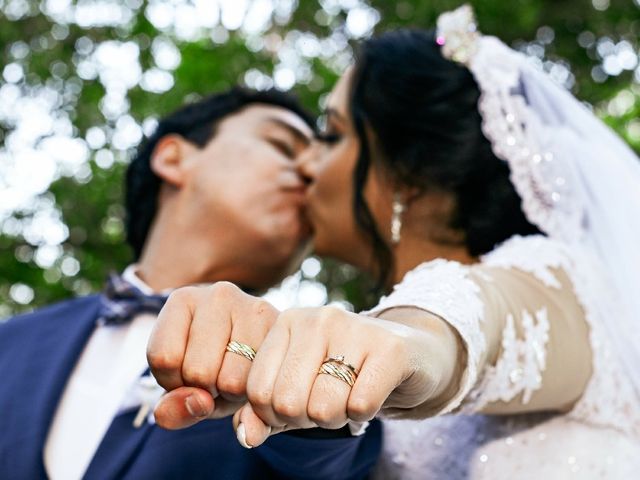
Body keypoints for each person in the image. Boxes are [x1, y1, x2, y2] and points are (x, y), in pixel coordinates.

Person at [147, 6, 640, 479]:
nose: (305, 166)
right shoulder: (352, 364)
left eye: (334, 135)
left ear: (406, 176)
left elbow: (474, 324)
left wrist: (403, 343)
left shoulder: (559, 282)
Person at [0, 87, 382, 479]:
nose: (310, 173)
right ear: (173, 158)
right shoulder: (9, 343)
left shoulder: (310, 365)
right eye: (283, 146)